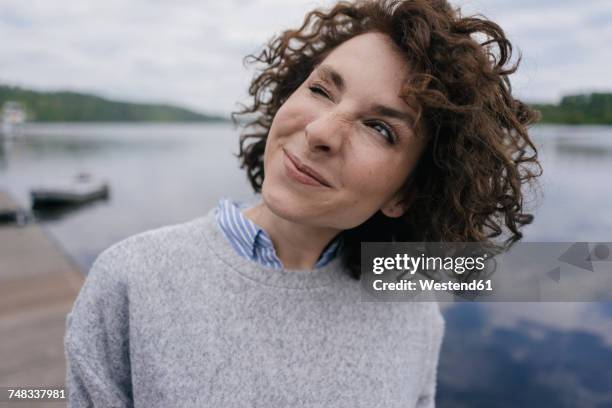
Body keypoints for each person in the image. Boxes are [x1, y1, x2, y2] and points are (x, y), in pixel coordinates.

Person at [64, 0, 541, 406]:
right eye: (319, 89)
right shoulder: (131, 279)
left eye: (380, 128)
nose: (320, 131)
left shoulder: (413, 312)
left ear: (406, 194)